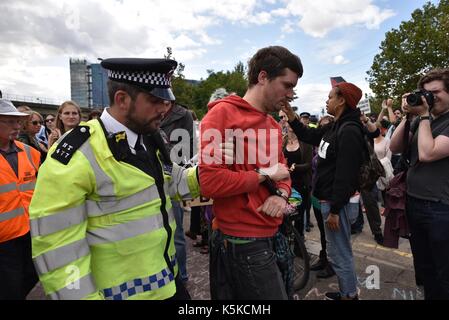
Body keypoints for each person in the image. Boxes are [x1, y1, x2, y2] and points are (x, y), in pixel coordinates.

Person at [29, 58, 201, 300]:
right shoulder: (77, 153)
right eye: (155, 101)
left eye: (166, 101)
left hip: (167, 284)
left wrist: (209, 172)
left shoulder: (150, 137)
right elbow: (56, 247)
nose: (165, 108)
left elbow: (173, 182)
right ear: (122, 99)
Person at [200, 46, 302, 300]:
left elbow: (284, 174)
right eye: (286, 85)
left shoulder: (272, 125)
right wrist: (265, 174)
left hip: (271, 235)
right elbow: (210, 184)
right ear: (263, 77)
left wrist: (280, 196)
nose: (290, 95)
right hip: (241, 241)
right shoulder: (221, 114)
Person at [282, 82, 366, 300]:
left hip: (338, 203)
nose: (326, 101)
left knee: (340, 253)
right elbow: (310, 135)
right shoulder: (335, 127)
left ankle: (349, 295)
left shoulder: (350, 130)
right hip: (328, 200)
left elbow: (345, 175)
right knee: (336, 250)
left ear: (341, 101)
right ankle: (347, 290)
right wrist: (290, 113)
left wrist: (336, 210)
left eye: (330, 97)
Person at [390, 68, 449, 300]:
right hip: (414, 203)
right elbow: (394, 147)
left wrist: (423, 115)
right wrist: (409, 115)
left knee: (444, 270)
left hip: (441, 208)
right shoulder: (422, 120)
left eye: (435, 92)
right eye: (425, 93)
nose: (429, 98)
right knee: (425, 269)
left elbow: (427, 153)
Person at [0, 99, 40, 300]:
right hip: (4, 241)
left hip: (30, 233)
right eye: (10, 121)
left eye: (18, 121)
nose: (17, 126)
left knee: (31, 279)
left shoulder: (31, 153)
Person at [160, 101, 194, 283]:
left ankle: (181, 276)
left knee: (177, 232)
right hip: (149, 177)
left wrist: (164, 151)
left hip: (172, 177)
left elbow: (188, 148)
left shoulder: (184, 115)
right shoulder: (148, 107)